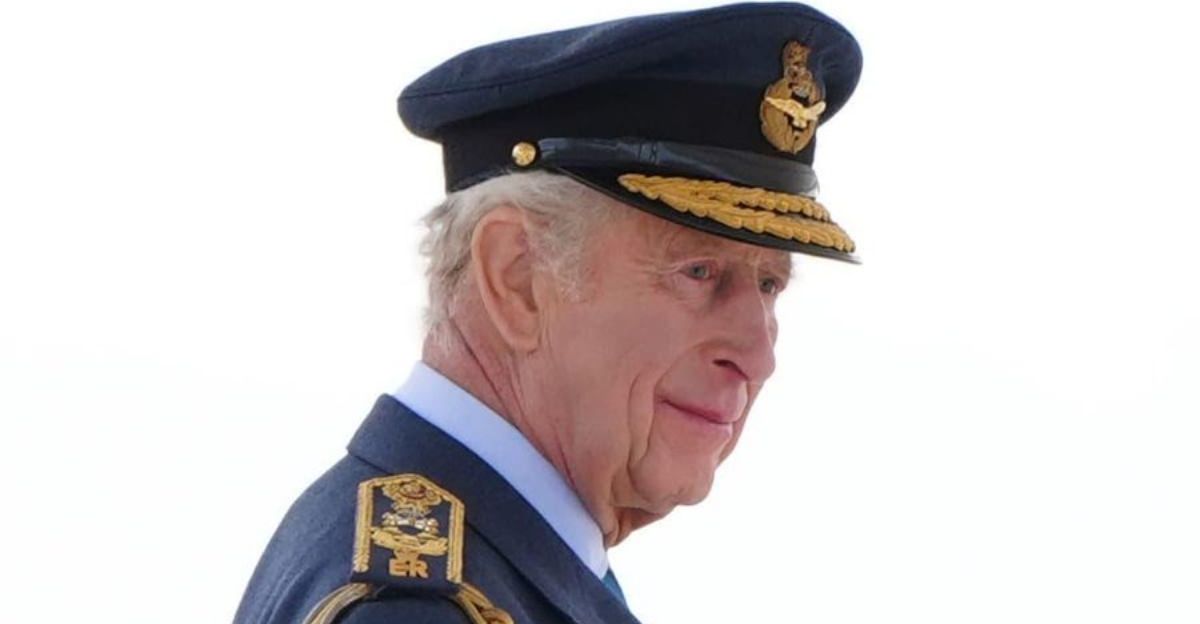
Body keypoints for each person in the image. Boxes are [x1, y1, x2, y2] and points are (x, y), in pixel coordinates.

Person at [233, 3, 863, 623]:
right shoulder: (415, 609)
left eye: (770, 284)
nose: (758, 356)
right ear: (517, 278)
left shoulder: (494, 562)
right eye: (699, 272)